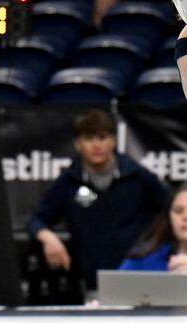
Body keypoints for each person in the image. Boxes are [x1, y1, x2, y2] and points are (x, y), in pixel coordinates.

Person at [29, 109, 170, 291]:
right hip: (92, 281)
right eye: (89, 138)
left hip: (138, 275)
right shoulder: (69, 181)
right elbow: (36, 219)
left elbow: (170, 207)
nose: (96, 145)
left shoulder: (136, 175)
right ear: (78, 144)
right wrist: (48, 238)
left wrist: (155, 248)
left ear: (113, 141)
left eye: (102, 137)